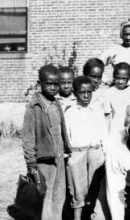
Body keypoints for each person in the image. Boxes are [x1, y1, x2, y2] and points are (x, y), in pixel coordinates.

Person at [22, 64, 72, 220]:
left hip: (59, 157)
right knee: (46, 196)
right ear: (39, 84)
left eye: (55, 84)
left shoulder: (56, 103)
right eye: (48, 84)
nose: (53, 87)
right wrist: (31, 162)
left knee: (59, 195)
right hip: (44, 159)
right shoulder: (34, 107)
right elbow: (28, 136)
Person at [64, 76, 109, 220]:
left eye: (89, 92)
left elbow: (104, 134)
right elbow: (65, 136)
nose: (86, 95)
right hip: (77, 153)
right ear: (74, 93)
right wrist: (68, 156)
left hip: (95, 152)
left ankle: (92, 215)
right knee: (78, 190)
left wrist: (106, 153)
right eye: (82, 92)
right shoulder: (69, 112)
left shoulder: (96, 110)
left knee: (94, 188)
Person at [104, 62, 130, 138]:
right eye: (118, 78)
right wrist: (108, 133)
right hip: (115, 128)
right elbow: (108, 115)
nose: (120, 81)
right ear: (114, 77)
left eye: (124, 78)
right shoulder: (109, 92)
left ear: (129, 78)